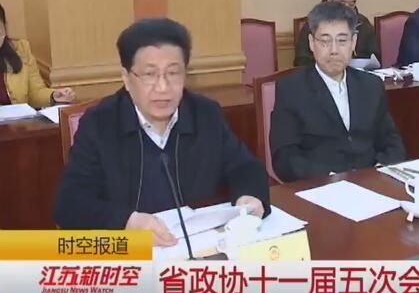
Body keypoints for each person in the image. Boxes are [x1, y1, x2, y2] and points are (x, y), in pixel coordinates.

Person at [54, 18, 270, 246]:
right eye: (150, 74)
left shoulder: (205, 114)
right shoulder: (100, 123)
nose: (163, 87)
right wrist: (127, 221)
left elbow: (245, 168)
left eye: (173, 73)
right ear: (126, 78)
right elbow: (70, 204)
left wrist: (250, 196)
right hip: (134, 253)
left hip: (201, 246)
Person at [272, 1, 406, 182]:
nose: (334, 50)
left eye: (342, 41)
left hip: (371, 183)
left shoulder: (371, 86)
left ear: (353, 42)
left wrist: (378, 172)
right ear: (311, 43)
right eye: (325, 41)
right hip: (320, 187)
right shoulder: (291, 89)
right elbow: (284, 158)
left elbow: (392, 143)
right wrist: (330, 178)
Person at [0, 3, 75, 107]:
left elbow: (35, 92)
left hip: (17, 117)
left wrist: (53, 96)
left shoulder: (21, 49)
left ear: (5, 27)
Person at [294, 0, 379, 66]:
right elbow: (301, 61)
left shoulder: (363, 24)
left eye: (351, 4)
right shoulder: (313, 23)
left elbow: (375, 57)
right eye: (342, 3)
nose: (346, 9)